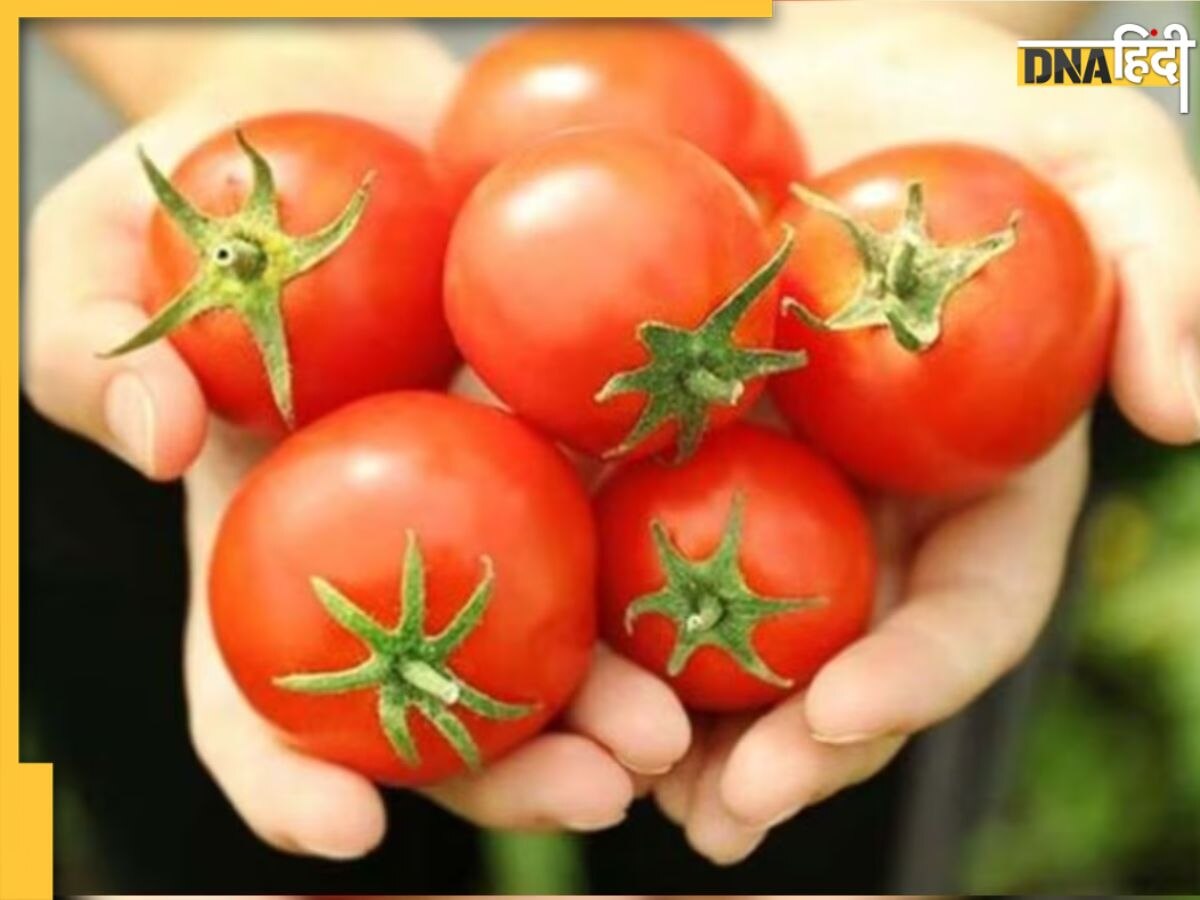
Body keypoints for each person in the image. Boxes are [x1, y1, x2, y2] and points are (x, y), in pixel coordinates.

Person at [22, 3, 1200, 888]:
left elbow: (1155, 51)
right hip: (127, 205)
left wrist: (980, 33)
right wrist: (200, 52)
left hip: (946, 98)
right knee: (205, 838)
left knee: (809, 823)